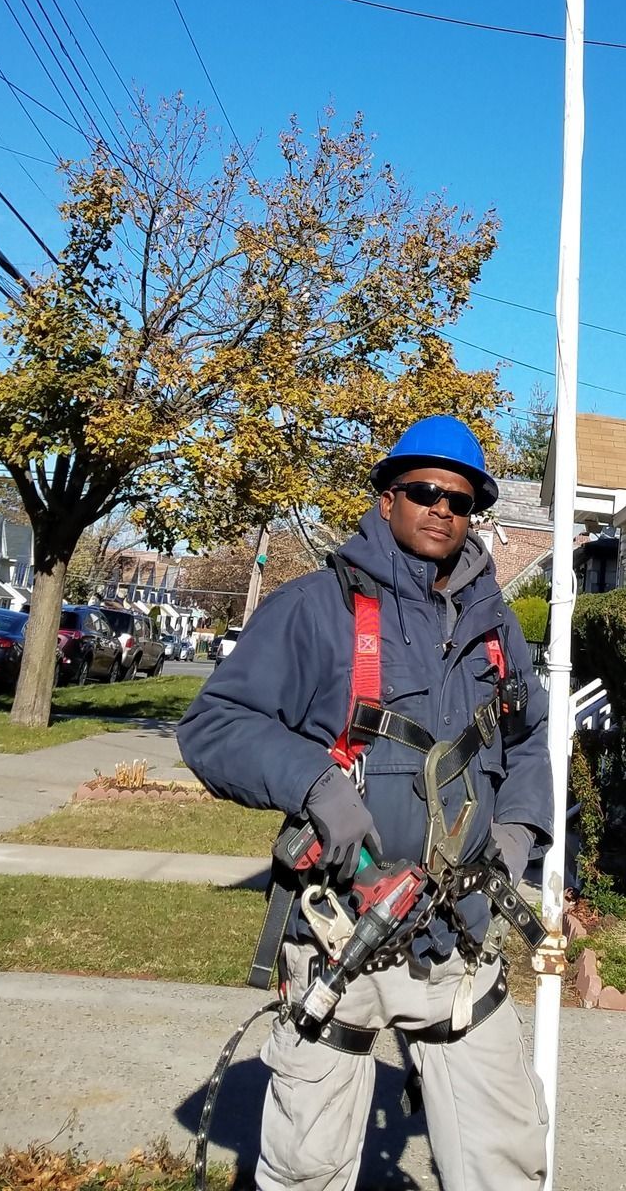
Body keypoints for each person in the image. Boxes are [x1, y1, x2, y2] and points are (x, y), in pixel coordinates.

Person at [178, 415, 552, 1191]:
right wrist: (313, 783)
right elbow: (215, 725)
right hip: (340, 933)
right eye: (422, 490)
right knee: (306, 1166)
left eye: (460, 498)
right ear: (386, 500)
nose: (442, 508)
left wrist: (519, 830)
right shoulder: (320, 607)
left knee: (505, 1161)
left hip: (460, 934)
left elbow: (531, 736)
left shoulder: (494, 626)